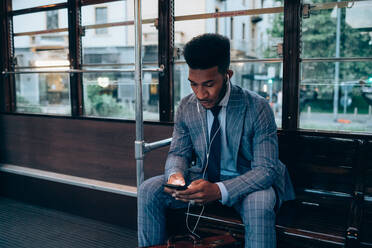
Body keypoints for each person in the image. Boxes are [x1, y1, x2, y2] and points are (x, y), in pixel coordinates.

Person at [138, 33, 295, 248]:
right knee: (148, 190)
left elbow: (266, 170)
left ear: (228, 75)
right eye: (193, 84)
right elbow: (178, 153)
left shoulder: (257, 107)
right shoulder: (186, 106)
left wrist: (219, 190)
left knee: (259, 206)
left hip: (248, 180)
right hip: (203, 177)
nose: (200, 94)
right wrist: (175, 176)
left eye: (209, 84)